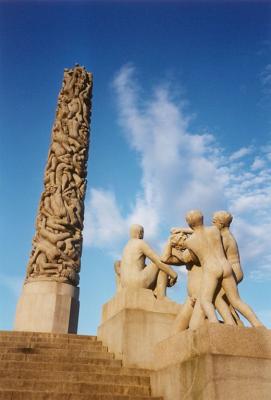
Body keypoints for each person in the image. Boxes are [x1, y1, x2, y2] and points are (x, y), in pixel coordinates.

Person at [175, 210, 263, 328]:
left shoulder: (189, 242)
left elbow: (192, 258)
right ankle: (257, 324)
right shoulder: (214, 230)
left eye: (215, 220)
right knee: (236, 300)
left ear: (189, 224)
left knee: (206, 300)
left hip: (211, 269)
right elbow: (204, 231)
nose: (213, 221)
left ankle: (214, 324)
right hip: (226, 267)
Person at [119, 224, 177, 297]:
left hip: (125, 286)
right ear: (140, 233)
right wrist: (173, 274)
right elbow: (157, 260)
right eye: (142, 232)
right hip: (138, 283)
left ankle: (156, 293)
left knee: (153, 265)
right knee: (162, 262)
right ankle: (162, 297)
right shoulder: (140, 243)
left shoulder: (126, 247)